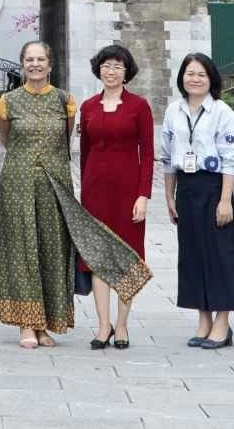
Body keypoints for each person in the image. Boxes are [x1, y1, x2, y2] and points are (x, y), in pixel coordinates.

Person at [0, 40, 151, 349]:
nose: (36, 64)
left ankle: (60, 325)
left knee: (54, 252)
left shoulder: (67, 102)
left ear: (51, 65)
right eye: (30, 59)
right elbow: (7, 139)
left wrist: (143, 194)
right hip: (22, 185)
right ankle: (30, 324)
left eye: (41, 59)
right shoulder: (10, 101)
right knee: (26, 252)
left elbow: (70, 143)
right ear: (22, 64)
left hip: (65, 187)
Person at [161, 51, 234, 349]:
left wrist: (226, 200)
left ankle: (223, 323)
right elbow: (168, 158)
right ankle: (203, 319)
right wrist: (169, 196)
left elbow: (231, 160)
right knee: (193, 255)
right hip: (187, 188)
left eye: (201, 74)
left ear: (211, 79)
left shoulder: (222, 112)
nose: (194, 79)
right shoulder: (174, 111)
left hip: (214, 187)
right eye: (189, 73)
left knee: (221, 255)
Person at [78, 42, 154, 349]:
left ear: (127, 73)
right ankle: (102, 325)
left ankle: (121, 325)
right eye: (106, 66)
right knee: (98, 260)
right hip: (95, 192)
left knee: (126, 258)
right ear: (99, 70)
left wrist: (143, 195)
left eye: (117, 67)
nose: (111, 72)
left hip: (128, 191)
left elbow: (148, 154)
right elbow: (83, 154)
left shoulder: (139, 107)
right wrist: (84, 192)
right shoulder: (88, 107)